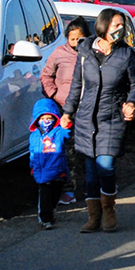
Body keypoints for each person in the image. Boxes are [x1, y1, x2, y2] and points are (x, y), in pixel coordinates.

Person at [61, 8, 135, 233]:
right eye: (116, 25)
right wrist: (68, 112)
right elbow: (76, 84)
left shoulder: (126, 55)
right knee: (90, 172)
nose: (120, 29)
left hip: (112, 118)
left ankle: (109, 211)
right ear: (103, 26)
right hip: (87, 118)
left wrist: (131, 103)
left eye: (122, 25)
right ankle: (93, 216)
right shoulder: (85, 50)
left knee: (105, 166)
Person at [40, 17, 90, 205]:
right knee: (67, 150)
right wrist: (54, 95)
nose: (76, 43)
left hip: (86, 108)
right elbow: (46, 76)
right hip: (64, 109)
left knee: (85, 150)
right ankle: (68, 189)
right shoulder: (59, 53)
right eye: (72, 39)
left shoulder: (92, 54)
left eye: (79, 39)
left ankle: (88, 187)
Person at [29, 98, 71, 230]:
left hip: (58, 170)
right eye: (43, 118)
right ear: (37, 120)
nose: (46, 121)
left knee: (55, 194)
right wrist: (32, 167)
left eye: (49, 118)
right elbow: (32, 152)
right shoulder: (34, 136)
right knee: (45, 195)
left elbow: (68, 132)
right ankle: (45, 218)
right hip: (42, 171)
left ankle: (51, 212)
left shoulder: (58, 132)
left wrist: (67, 123)